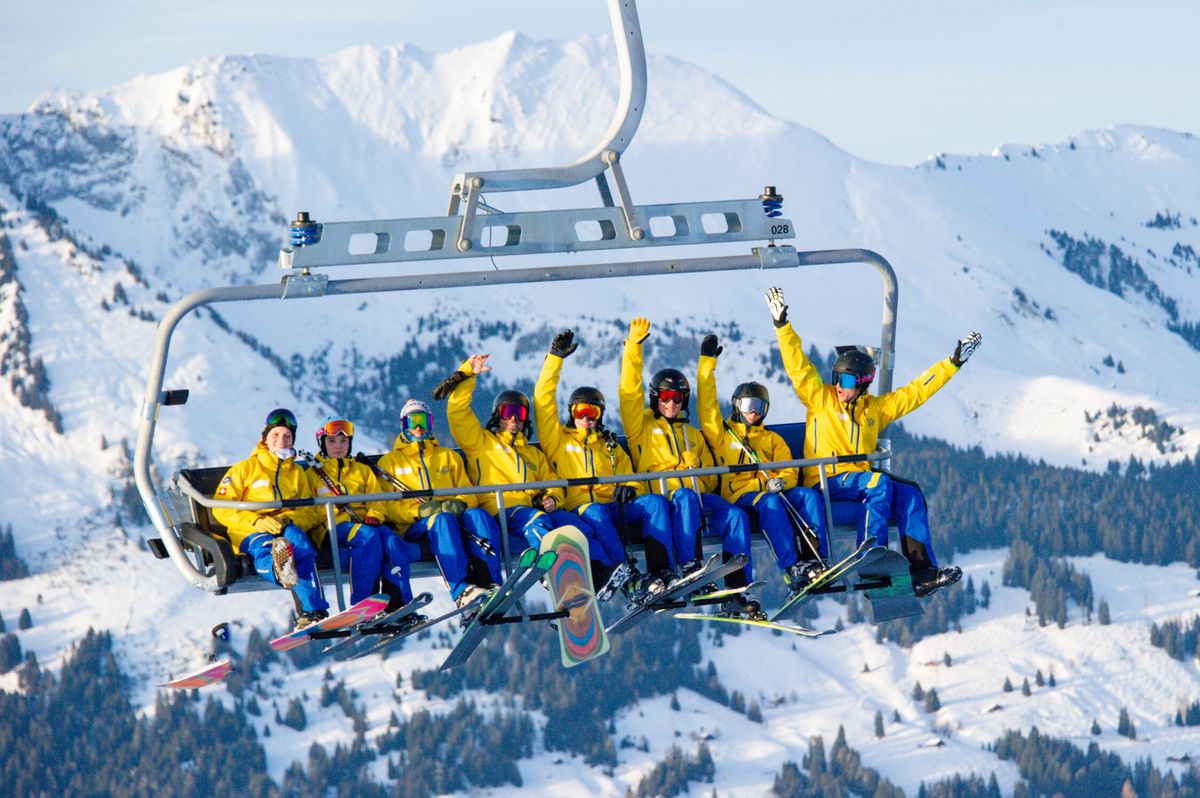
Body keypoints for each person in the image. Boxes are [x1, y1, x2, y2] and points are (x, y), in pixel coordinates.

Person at [765, 286, 982, 596]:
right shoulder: (820, 398)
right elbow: (797, 367)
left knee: (910, 494)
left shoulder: (874, 410)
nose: (840, 386)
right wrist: (782, 326)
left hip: (858, 483)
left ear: (863, 383)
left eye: (849, 381)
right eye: (838, 378)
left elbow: (915, 393)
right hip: (825, 481)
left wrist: (952, 364)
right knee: (878, 483)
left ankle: (921, 570)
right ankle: (871, 557)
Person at [437, 353, 621, 588]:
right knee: (536, 520)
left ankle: (600, 574)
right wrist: (467, 374)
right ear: (497, 416)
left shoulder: (533, 454)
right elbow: (458, 413)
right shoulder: (480, 443)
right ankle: (549, 570)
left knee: (579, 528)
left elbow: (552, 480)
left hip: (532, 510)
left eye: (520, 414)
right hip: (502, 509)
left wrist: (552, 497)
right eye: (507, 412)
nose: (513, 418)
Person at [619, 318, 756, 616]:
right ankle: (688, 566)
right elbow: (629, 395)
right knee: (682, 497)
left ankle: (737, 587)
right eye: (666, 398)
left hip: (695, 496)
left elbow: (707, 475)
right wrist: (633, 348)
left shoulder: (693, 435)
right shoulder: (640, 428)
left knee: (734, 515)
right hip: (664, 496)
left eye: (678, 398)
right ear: (656, 398)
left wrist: (695, 470)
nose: (672, 404)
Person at [533, 329, 674, 599]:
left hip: (613, 506)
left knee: (654, 503)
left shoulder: (609, 446)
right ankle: (626, 574)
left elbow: (630, 476)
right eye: (581, 412)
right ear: (572, 414)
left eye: (593, 413)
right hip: (581, 507)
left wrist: (631, 488)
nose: (587, 418)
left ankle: (662, 570)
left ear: (600, 416)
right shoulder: (558, 440)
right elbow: (542, 402)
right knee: (595, 512)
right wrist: (555, 359)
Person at [695, 332, 830, 597]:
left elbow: (789, 467)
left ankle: (816, 561)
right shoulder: (722, 434)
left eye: (759, 406)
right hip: (741, 495)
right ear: (736, 406)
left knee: (809, 497)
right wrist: (707, 363)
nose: (753, 412)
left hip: (773, 490)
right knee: (770, 503)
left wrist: (784, 482)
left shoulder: (772, 439)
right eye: (748, 405)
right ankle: (792, 568)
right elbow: (707, 406)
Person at [376, 399, 504, 609]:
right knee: (442, 520)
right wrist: (418, 510)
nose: (419, 427)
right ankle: (462, 589)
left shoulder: (448, 457)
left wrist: (460, 504)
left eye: (423, 421)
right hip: (415, 527)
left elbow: (469, 492)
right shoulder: (390, 463)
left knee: (479, 516)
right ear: (404, 425)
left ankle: (490, 582)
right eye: (413, 421)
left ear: (431, 424)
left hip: (452, 520)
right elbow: (387, 507)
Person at [212, 408, 329, 629]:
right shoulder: (244, 469)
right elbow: (221, 508)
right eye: (275, 435)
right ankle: (278, 570)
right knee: (265, 547)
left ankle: (314, 611)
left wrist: (289, 520)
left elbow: (310, 510)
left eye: (287, 436)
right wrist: (255, 521)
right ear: (265, 438)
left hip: (285, 526)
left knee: (301, 545)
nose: (281, 441)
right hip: (251, 530)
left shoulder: (296, 473)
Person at [304, 416, 398, 610]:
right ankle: (363, 602)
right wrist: (324, 515)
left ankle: (397, 601)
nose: (338, 446)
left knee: (390, 539)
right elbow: (307, 508)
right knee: (367, 535)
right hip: (331, 528)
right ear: (322, 443)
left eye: (343, 441)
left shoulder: (362, 471)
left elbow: (378, 499)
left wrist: (375, 515)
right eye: (331, 441)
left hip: (362, 524)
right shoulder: (312, 475)